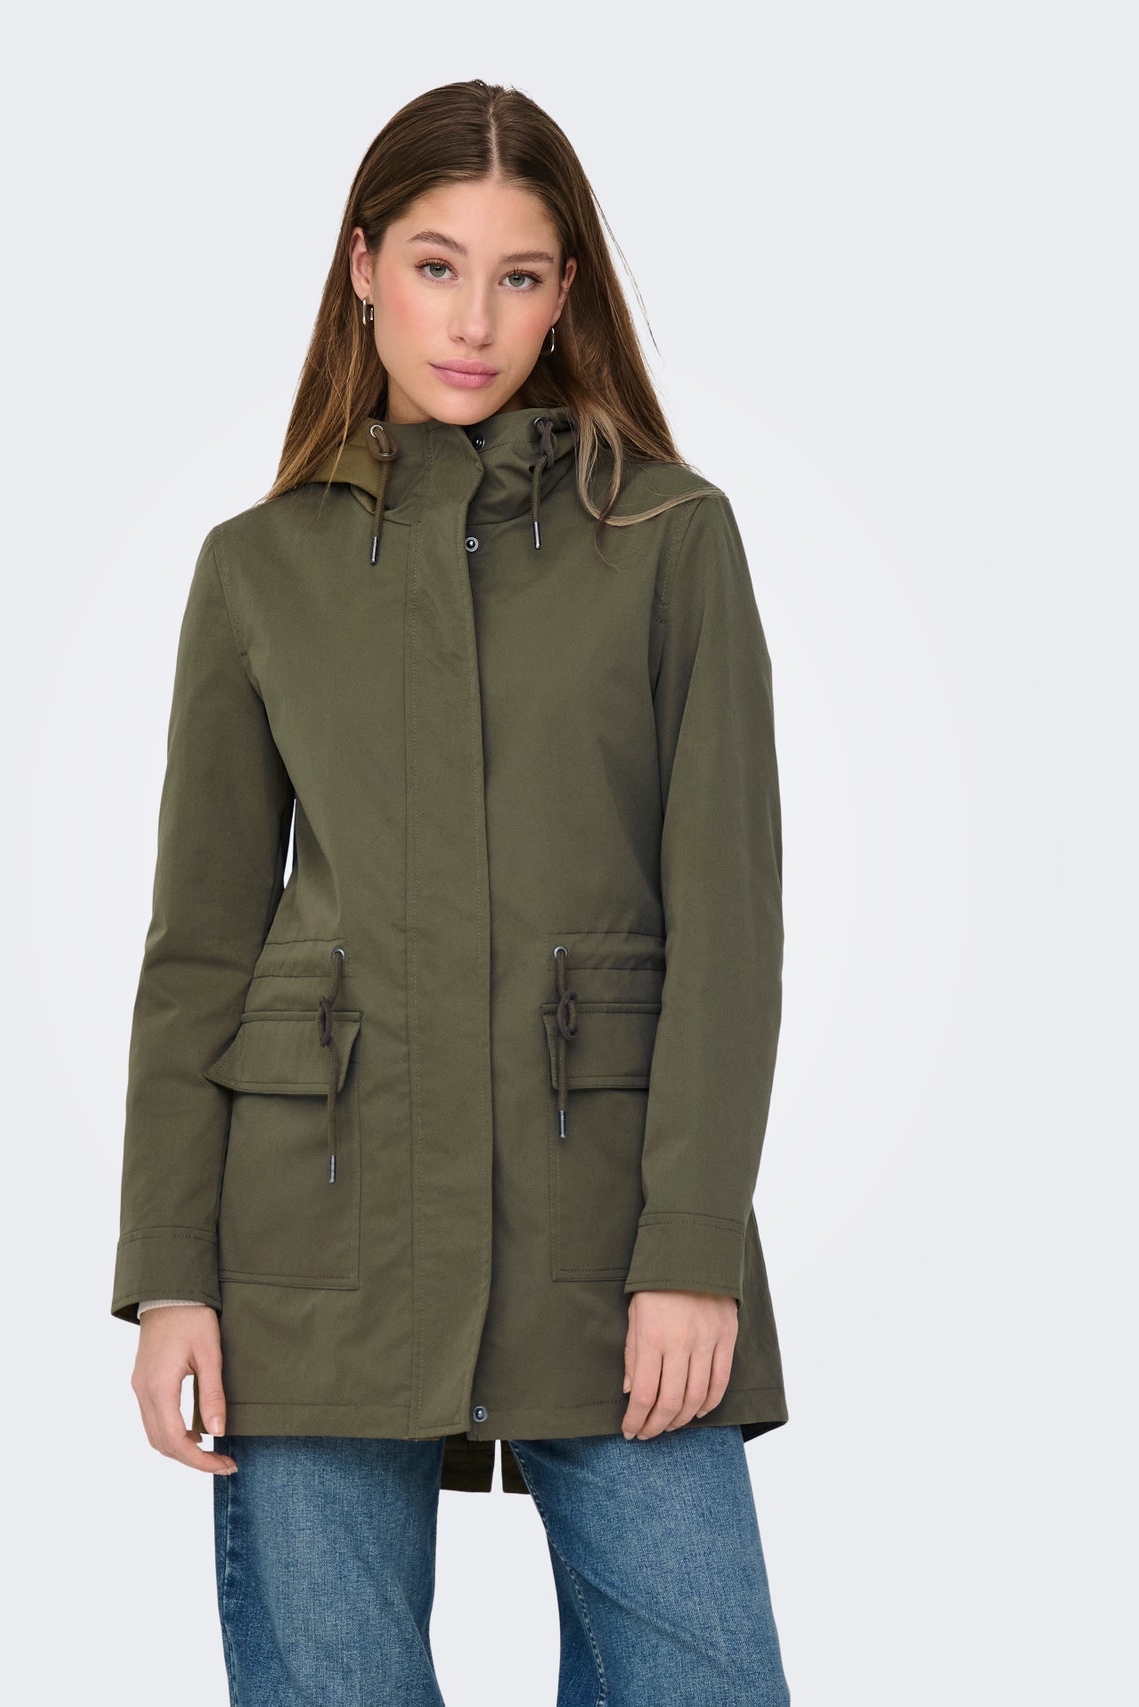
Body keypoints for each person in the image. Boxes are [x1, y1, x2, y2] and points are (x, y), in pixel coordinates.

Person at [112, 78, 792, 1707]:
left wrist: (693, 1244)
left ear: (568, 294)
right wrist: (172, 1271)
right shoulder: (259, 568)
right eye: (435, 266)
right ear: (363, 268)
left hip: (606, 1225)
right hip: (311, 1243)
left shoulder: (671, 539)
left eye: (518, 274)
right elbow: (200, 947)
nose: (473, 320)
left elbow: (730, 922)